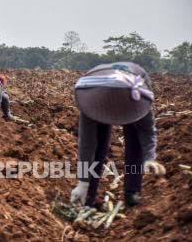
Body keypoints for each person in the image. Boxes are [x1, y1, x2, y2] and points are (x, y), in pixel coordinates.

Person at [70, 62, 166, 207]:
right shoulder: (91, 99)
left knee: (135, 141)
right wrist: (83, 183)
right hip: (99, 97)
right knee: (97, 146)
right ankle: (88, 196)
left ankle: (132, 191)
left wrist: (150, 157)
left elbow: (146, 130)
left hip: (130, 98)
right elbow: (87, 143)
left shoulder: (138, 95)